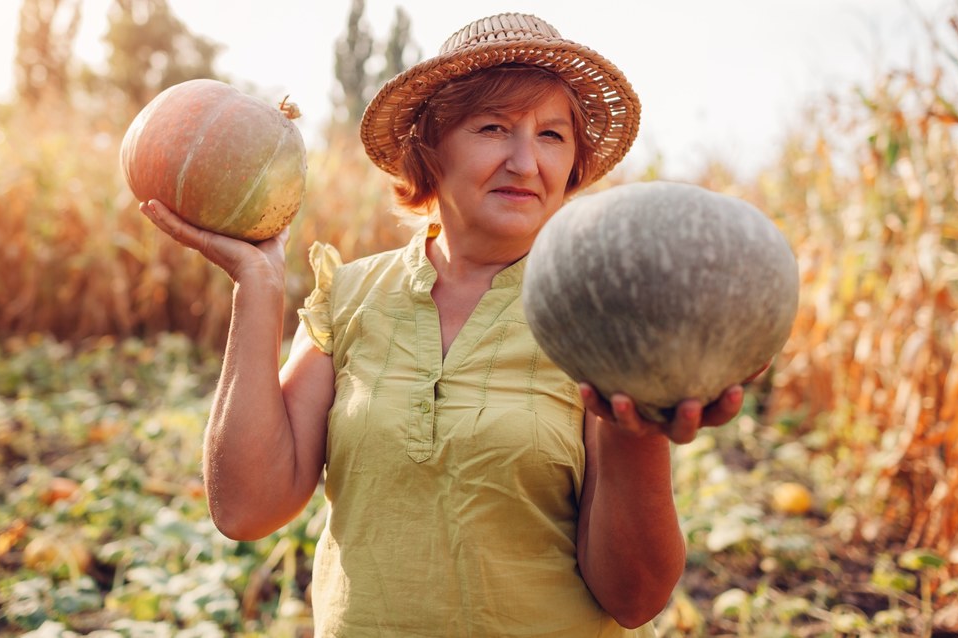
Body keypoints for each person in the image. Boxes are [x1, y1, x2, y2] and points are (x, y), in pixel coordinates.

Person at [140, 12, 756, 637]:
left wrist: (637, 431)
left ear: (573, 163)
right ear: (429, 147)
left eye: (551, 135)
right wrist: (259, 284)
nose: (524, 162)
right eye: (493, 128)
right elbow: (247, 508)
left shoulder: (600, 313)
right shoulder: (351, 296)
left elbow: (634, 596)